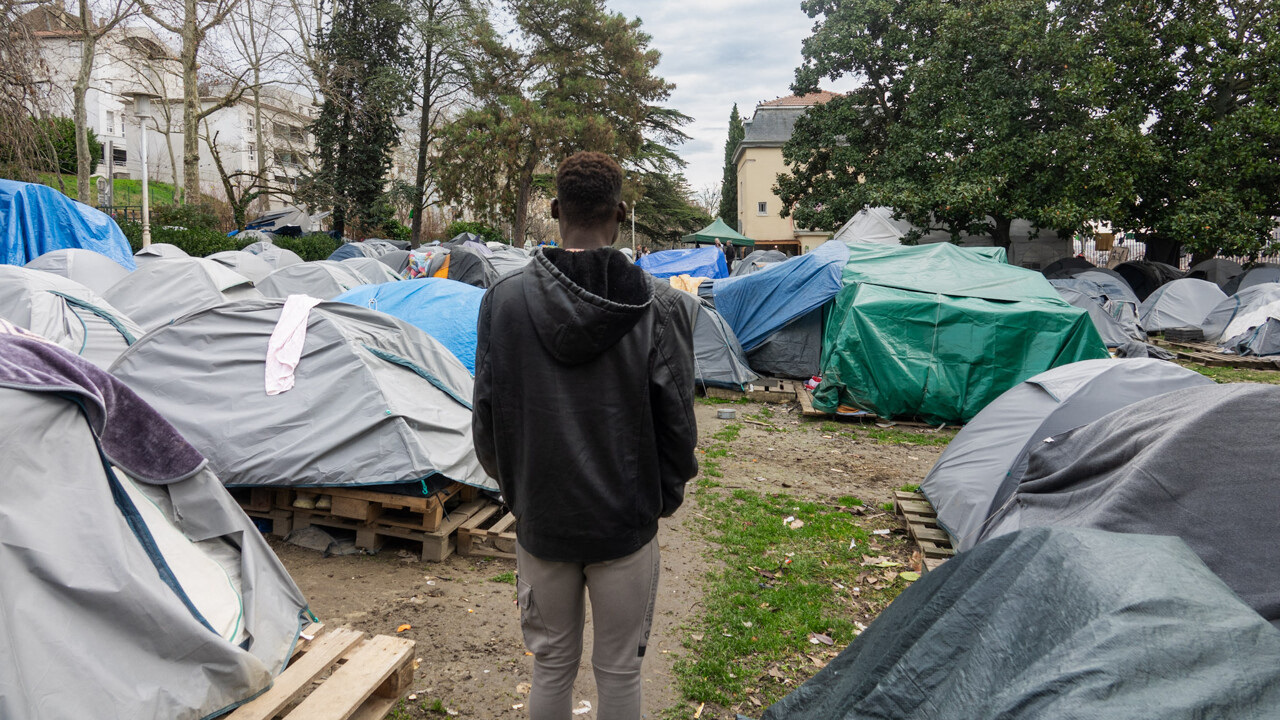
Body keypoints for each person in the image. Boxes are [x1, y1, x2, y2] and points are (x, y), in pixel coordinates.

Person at [472, 151, 698, 720]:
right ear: (619, 213)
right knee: (620, 670)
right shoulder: (661, 305)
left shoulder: (502, 302)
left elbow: (486, 418)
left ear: (554, 211)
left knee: (550, 665)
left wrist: (519, 492)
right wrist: (658, 500)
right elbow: (678, 425)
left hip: (543, 519)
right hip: (623, 522)